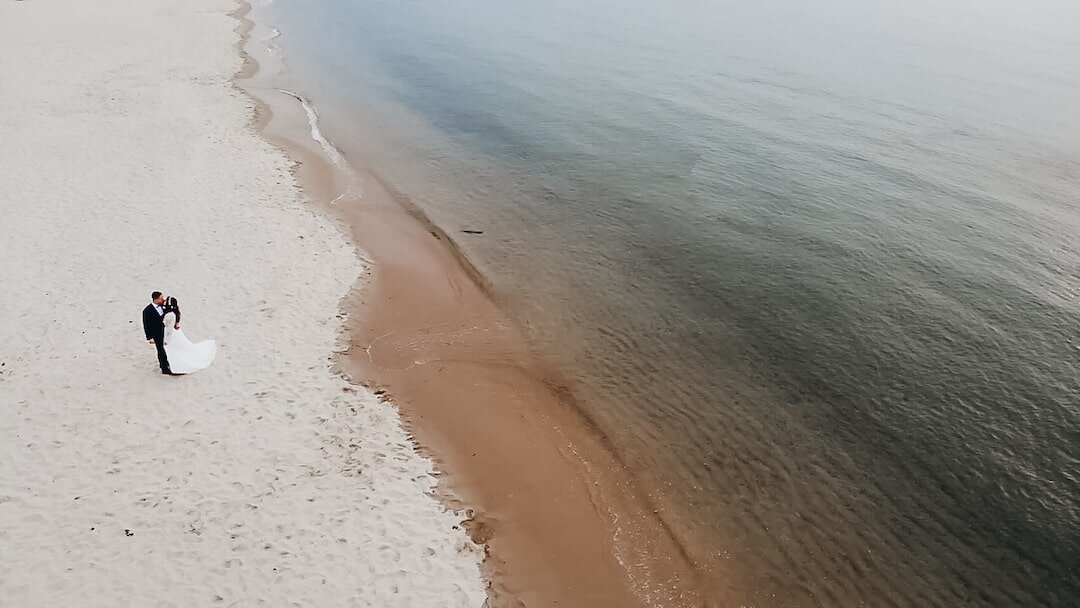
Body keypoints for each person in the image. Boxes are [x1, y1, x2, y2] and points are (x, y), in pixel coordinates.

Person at [161, 296, 216, 374]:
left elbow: (168, 329)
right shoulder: (175, 312)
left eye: (165, 300)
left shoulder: (169, 315)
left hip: (170, 335)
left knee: (174, 350)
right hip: (174, 333)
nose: (164, 301)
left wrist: (165, 340)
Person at [142, 291, 172, 375]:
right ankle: (164, 367)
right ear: (155, 299)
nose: (163, 299)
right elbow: (146, 324)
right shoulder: (147, 311)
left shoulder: (164, 306)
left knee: (167, 347)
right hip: (156, 333)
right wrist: (149, 337)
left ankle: (169, 362)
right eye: (161, 298)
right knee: (160, 349)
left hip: (165, 330)